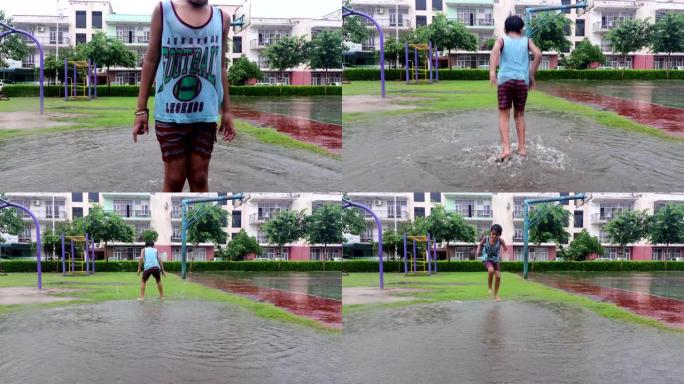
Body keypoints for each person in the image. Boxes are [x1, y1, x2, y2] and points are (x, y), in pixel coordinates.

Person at [133, 0, 236, 192]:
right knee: (174, 179)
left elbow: (220, 66)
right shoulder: (164, 10)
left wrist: (227, 111)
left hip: (205, 114)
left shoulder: (222, 18)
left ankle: (203, 222)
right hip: (170, 114)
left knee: (199, 177)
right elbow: (151, 59)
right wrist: (141, 110)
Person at [489, 15, 542, 162]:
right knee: (519, 115)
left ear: (506, 29)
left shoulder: (502, 40)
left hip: (505, 80)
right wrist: (531, 75)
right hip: (521, 82)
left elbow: (494, 51)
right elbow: (538, 54)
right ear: (521, 29)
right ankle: (522, 148)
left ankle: (506, 149)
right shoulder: (527, 41)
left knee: (504, 114)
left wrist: (492, 72)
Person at [475, 224, 508, 302]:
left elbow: (505, 249)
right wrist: (478, 252)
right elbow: (480, 245)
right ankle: (490, 287)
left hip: (495, 261)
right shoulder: (485, 239)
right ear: (490, 233)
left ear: (499, 235)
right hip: (486, 259)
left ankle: (496, 295)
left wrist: (504, 254)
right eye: (493, 234)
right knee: (490, 270)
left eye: (496, 235)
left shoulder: (500, 241)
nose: (494, 236)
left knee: (498, 277)